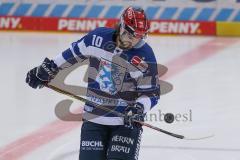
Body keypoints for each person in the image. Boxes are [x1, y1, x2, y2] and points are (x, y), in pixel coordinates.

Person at [26, 6, 160, 160]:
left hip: (125, 123)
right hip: (94, 118)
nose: (134, 40)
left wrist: (139, 108)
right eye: (130, 34)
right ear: (122, 25)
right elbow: (72, 53)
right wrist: (46, 69)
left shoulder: (144, 55)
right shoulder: (97, 38)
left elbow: (151, 93)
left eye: (139, 36)